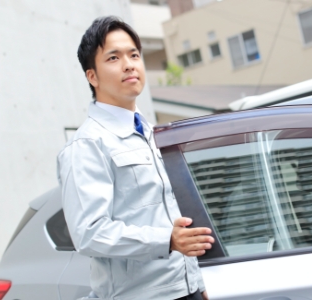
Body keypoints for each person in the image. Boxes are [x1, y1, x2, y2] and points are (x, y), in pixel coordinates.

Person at [57, 16, 214, 300]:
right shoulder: (87, 145)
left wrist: (197, 284)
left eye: (134, 55)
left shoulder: (150, 133)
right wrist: (166, 240)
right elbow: (89, 233)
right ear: (92, 76)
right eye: (114, 57)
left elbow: (169, 213)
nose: (129, 64)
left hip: (184, 290)